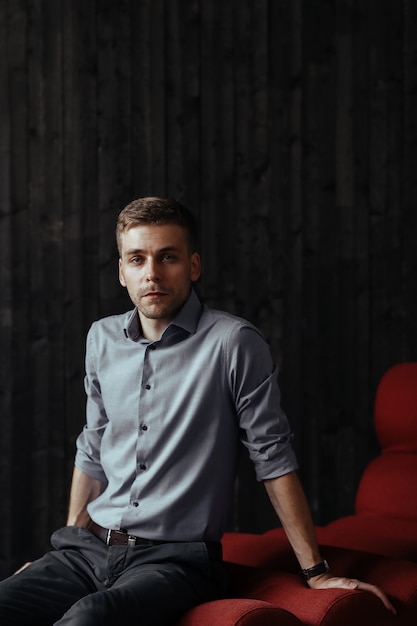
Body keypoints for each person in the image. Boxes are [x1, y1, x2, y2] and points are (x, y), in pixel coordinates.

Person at [0, 197, 394, 625]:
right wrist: (67, 547)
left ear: (193, 265)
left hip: (175, 560)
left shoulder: (233, 343)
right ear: (122, 272)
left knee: (90, 618)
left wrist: (316, 573)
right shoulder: (102, 338)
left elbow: (273, 457)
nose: (151, 273)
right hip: (90, 547)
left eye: (167, 257)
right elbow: (92, 445)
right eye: (137, 259)